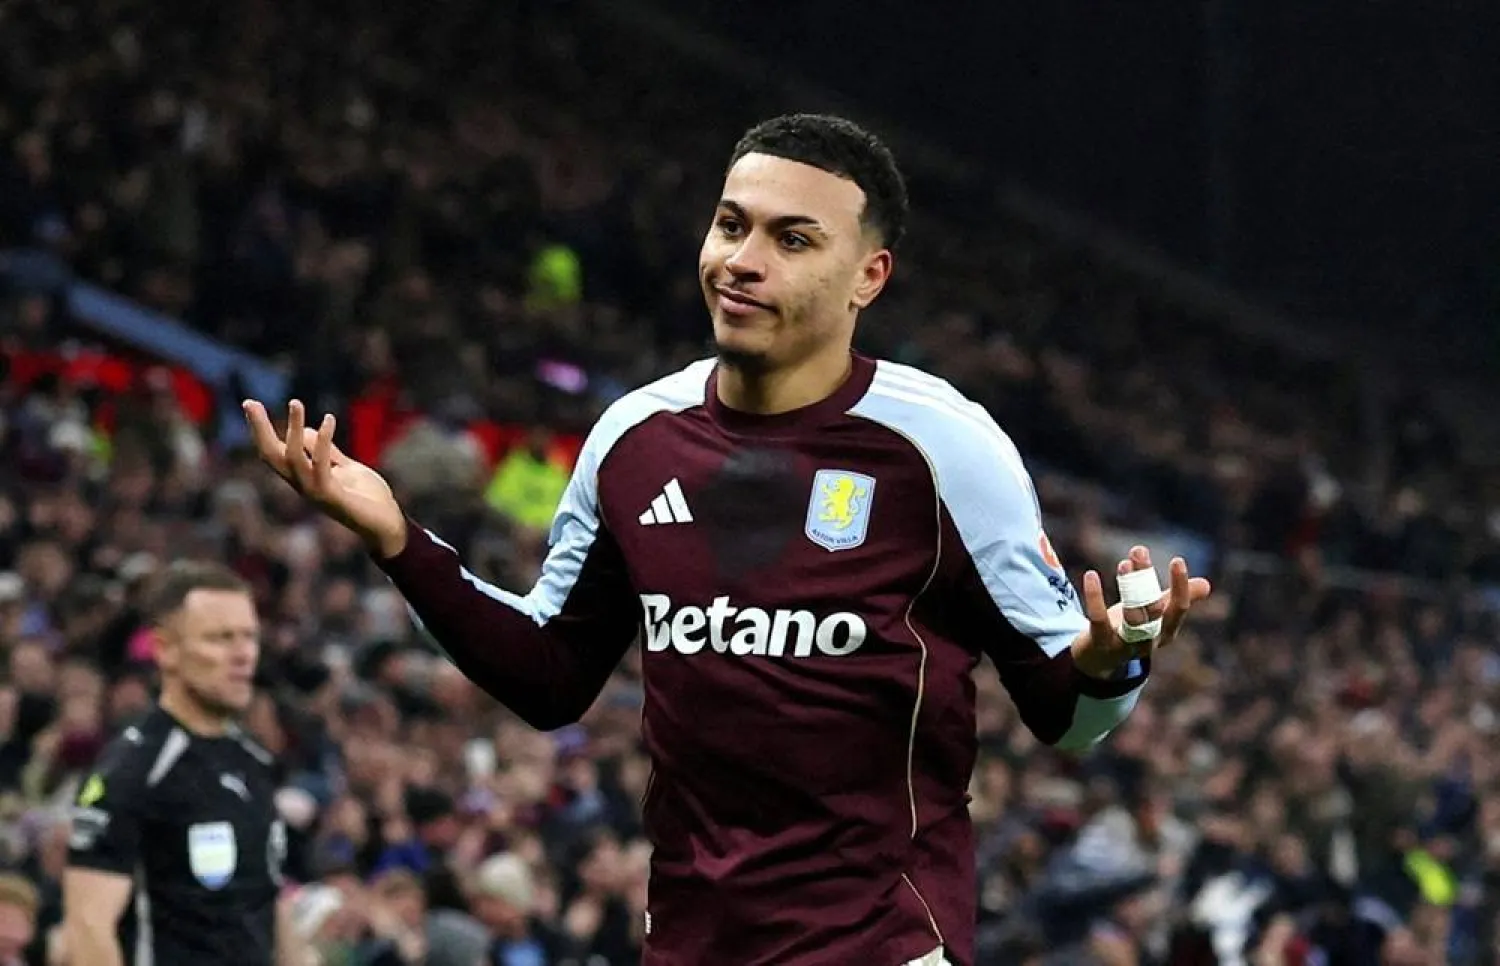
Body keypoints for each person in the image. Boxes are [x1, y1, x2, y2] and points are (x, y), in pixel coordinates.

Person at [243, 112, 1212, 966]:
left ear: (869, 274)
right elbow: (549, 678)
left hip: (880, 942)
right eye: (731, 224)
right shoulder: (632, 440)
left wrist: (1107, 659)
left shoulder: (944, 448)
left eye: (792, 239)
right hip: (691, 942)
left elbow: (1069, 720)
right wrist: (398, 540)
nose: (742, 259)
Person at [60, 562, 309, 966]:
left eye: (249, 637)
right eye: (220, 638)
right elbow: (88, 930)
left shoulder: (253, 761)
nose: (243, 654)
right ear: (165, 650)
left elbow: (268, 905)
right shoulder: (135, 770)